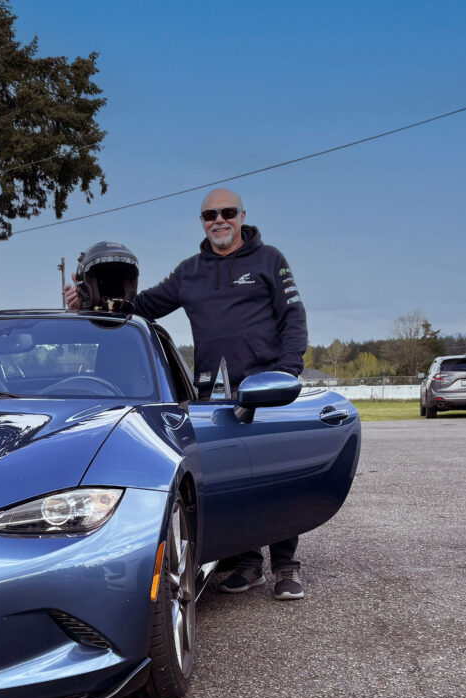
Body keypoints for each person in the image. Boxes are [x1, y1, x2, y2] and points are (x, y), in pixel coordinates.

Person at [65, 187, 308, 600]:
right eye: (210, 215)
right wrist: (86, 302)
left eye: (227, 213)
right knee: (234, 479)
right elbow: (139, 305)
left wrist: (287, 372)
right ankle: (248, 563)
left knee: (276, 477)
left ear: (241, 216)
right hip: (216, 398)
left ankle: (285, 564)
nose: (219, 220)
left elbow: (293, 317)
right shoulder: (190, 272)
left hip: (266, 389)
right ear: (202, 221)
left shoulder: (270, 260)